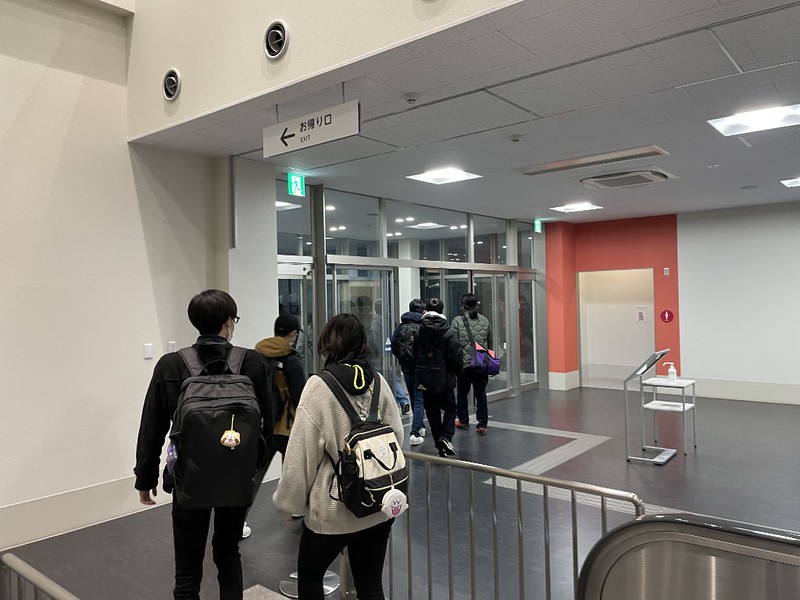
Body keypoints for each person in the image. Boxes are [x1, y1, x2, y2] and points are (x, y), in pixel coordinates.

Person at [134, 289, 273, 600]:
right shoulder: (251, 362)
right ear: (228, 323)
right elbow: (266, 422)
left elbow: (152, 426)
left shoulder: (171, 365)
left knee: (187, 566)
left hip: (188, 477)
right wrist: (251, 466)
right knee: (228, 554)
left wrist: (145, 477)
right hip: (237, 479)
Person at [273, 313, 403, 600]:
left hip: (332, 511)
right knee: (370, 584)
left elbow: (299, 457)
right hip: (376, 503)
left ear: (327, 346)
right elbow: (397, 437)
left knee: (310, 578)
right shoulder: (378, 382)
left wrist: (288, 506)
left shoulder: (320, 386)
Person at [243, 314, 307, 538]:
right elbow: (300, 398)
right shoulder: (291, 360)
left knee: (255, 473)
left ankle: (239, 520)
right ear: (293, 334)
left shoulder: (256, 354)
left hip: (262, 426)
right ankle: (297, 509)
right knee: (296, 472)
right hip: (287, 427)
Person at [414, 298, 462, 457]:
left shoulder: (420, 330)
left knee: (432, 412)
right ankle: (446, 437)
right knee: (450, 408)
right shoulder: (449, 332)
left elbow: (415, 353)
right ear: (442, 310)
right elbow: (455, 356)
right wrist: (456, 372)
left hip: (425, 379)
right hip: (445, 379)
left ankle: (439, 444)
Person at [452, 293, 494, 435]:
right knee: (481, 393)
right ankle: (482, 424)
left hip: (465, 365)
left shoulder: (457, 321)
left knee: (462, 393)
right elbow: (490, 341)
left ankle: (463, 421)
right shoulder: (484, 320)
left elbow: (454, 344)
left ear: (463, 306)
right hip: (481, 363)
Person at [391, 298, 427, 445]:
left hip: (406, 368)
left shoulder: (400, 327)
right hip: (420, 369)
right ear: (422, 311)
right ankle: (414, 432)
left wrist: (402, 358)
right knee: (420, 400)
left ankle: (420, 425)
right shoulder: (423, 326)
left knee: (413, 397)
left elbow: (394, 346)